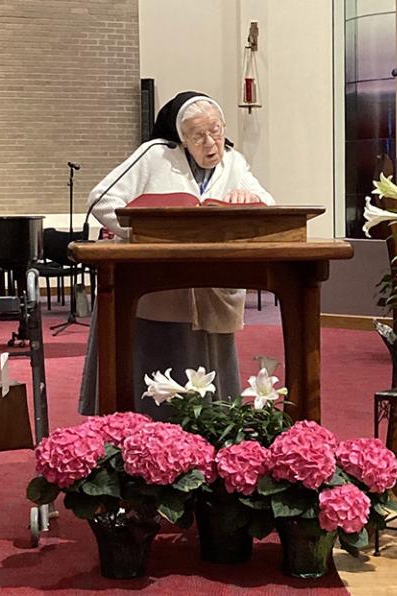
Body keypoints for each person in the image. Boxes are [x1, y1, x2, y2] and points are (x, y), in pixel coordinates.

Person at [79, 91, 274, 418]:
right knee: (157, 386)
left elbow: (268, 207)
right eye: (199, 136)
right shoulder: (155, 155)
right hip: (158, 290)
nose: (211, 143)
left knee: (210, 396)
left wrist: (248, 196)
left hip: (211, 291)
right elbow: (101, 200)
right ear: (181, 139)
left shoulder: (234, 162)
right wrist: (148, 234)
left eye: (216, 131)